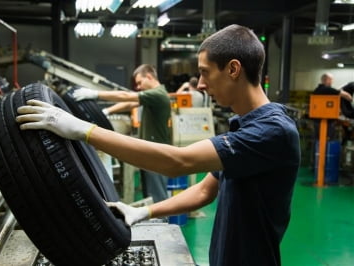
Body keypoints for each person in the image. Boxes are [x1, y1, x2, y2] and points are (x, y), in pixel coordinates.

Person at [16, 24, 300, 266]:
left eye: (205, 72)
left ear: (233, 69)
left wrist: (84, 130)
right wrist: (142, 211)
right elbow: (204, 190)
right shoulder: (245, 124)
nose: (200, 84)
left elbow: (180, 162)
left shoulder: (273, 131)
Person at [72, 64, 171, 203]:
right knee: (150, 194)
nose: (138, 87)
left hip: (157, 153)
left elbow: (125, 96)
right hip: (151, 152)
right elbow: (130, 104)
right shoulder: (153, 96)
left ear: (149, 76)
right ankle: (156, 222)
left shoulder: (158, 94)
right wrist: (106, 112)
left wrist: (95, 94)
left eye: (139, 82)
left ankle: (163, 223)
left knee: (158, 196)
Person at [312, 73, 353, 140]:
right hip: (327, 120)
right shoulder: (327, 89)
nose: (332, 82)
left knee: (318, 139)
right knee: (328, 140)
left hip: (317, 120)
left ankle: (318, 150)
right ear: (327, 80)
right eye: (331, 80)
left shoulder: (317, 90)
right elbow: (346, 96)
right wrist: (351, 99)